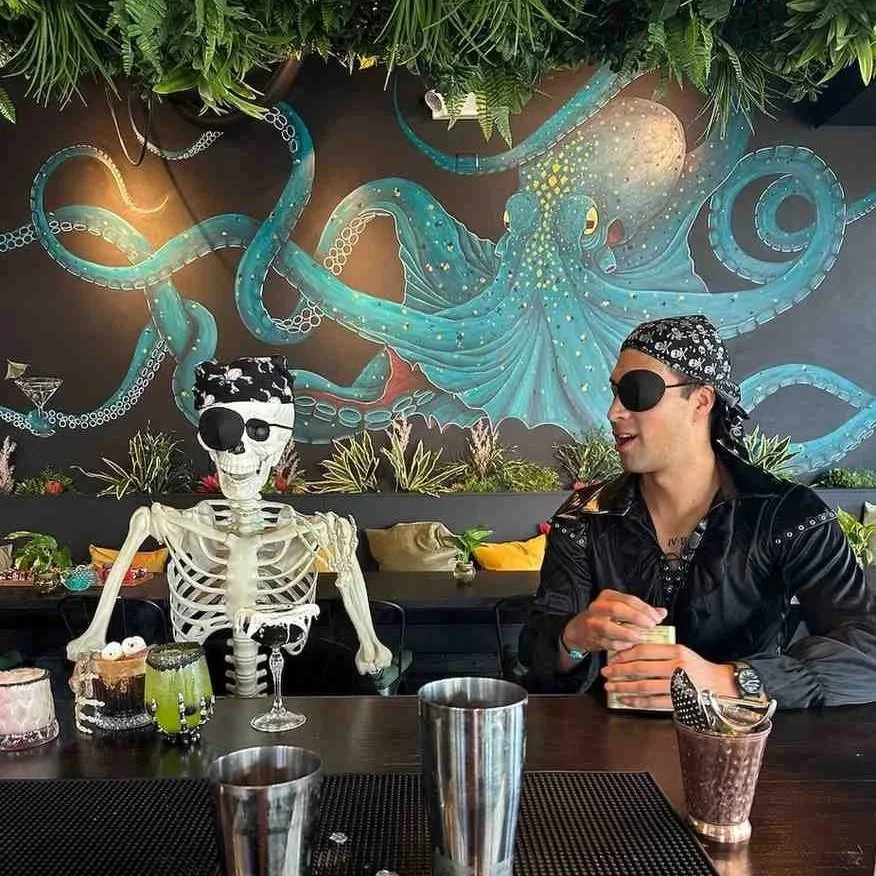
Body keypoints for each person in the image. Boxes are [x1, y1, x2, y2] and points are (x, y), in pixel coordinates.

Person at [524, 314, 876, 709]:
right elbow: (538, 657)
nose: (614, 412)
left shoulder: (786, 516)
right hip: (609, 741)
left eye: (636, 392)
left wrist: (729, 680)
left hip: (745, 740)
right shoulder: (584, 517)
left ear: (701, 401)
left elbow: (864, 651)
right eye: (615, 392)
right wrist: (574, 638)